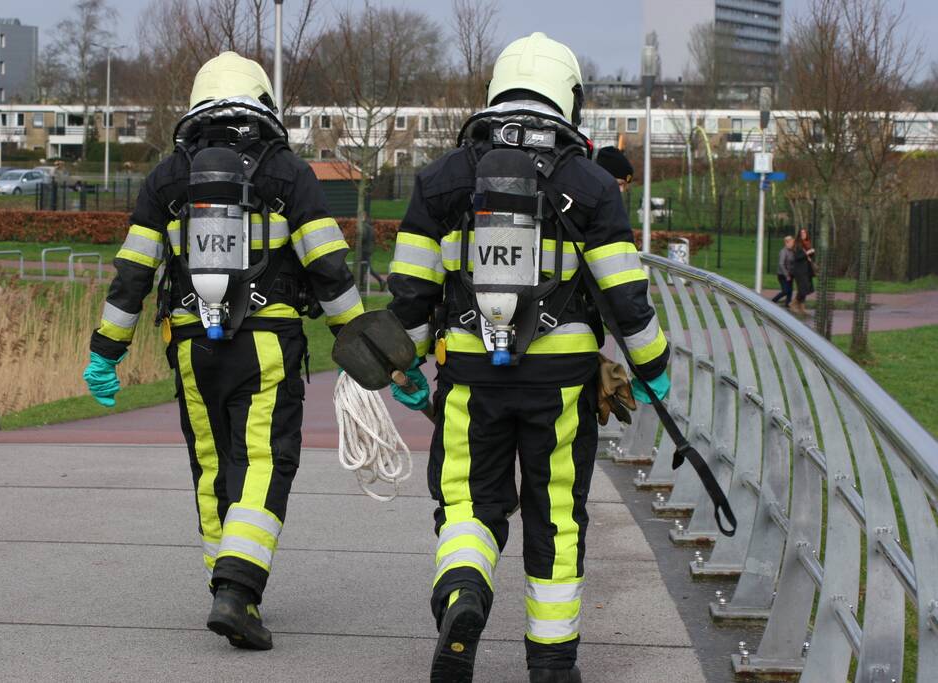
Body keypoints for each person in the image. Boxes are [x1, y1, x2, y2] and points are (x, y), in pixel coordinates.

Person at [386, 33, 671, 683]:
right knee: (555, 514)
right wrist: (653, 372)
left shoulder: (441, 179)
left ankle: (462, 596)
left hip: (467, 376)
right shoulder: (592, 185)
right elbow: (627, 299)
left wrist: (402, 367)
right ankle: (550, 661)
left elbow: (408, 293)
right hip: (562, 385)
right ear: (567, 97)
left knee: (466, 504)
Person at [81, 52, 363, 650]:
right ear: (260, 102)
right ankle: (237, 590)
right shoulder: (287, 172)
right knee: (262, 460)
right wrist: (365, 347)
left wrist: (106, 351)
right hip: (266, 343)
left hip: (191, 347)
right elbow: (330, 271)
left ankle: (228, 589)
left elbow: (133, 272)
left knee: (212, 464)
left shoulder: (167, 176)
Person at [792, 228, 815, 316]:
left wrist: (811, 252)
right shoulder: (797, 244)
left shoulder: (807, 243)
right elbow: (797, 257)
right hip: (799, 270)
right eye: (801, 233)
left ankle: (802, 308)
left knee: (807, 288)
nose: (803, 234)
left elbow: (810, 256)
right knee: (803, 289)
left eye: (804, 233)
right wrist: (807, 253)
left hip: (807, 270)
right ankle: (793, 304)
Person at [771, 236, 795, 307]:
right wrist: (786, 275)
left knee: (790, 291)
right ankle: (773, 301)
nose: (792, 244)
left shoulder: (792, 251)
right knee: (785, 291)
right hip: (782, 275)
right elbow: (781, 264)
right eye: (791, 243)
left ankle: (788, 304)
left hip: (790, 274)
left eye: (793, 243)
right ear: (786, 243)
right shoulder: (783, 251)